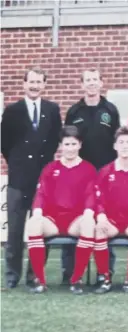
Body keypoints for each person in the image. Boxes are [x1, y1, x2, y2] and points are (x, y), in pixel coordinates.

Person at [1, 67, 62, 289]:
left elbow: (55, 141)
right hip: (18, 179)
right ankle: (11, 276)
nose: (35, 86)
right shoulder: (12, 110)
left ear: (44, 85)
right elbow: (4, 143)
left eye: (39, 82)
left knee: (40, 229)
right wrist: (18, 163)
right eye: (31, 82)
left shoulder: (52, 110)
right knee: (15, 230)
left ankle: (34, 275)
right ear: (24, 84)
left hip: (43, 180)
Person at [64, 68, 121, 286]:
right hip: (79, 174)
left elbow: (118, 142)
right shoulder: (74, 111)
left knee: (106, 218)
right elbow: (68, 142)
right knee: (75, 217)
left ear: (101, 83)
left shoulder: (110, 109)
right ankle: (68, 270)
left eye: (95, 80)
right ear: (82, 85)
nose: (91, 84)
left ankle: (107, 269)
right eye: (87, 81)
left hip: (106, 174)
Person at [24, 126, 98, 294]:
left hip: (75, 220)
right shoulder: (50, 168)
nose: (70, 148)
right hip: (53, 220)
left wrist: (88, 212)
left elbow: (90, 195)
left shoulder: (88, 169)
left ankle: (76, 279)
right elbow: (41, 193)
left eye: (73, 144)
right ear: (60, 146)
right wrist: (37, 211)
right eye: (66, 144)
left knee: (88, 223)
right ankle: (40, 281)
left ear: (80, 145)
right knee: (34, 223)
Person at [92, 126, 128, 294]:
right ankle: (104, 278)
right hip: (112, 221)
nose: (125, 146)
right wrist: (102, 216)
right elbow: (98, 199)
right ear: (115, 146)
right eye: (121, 142)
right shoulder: (105, 171)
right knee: (98, 229)